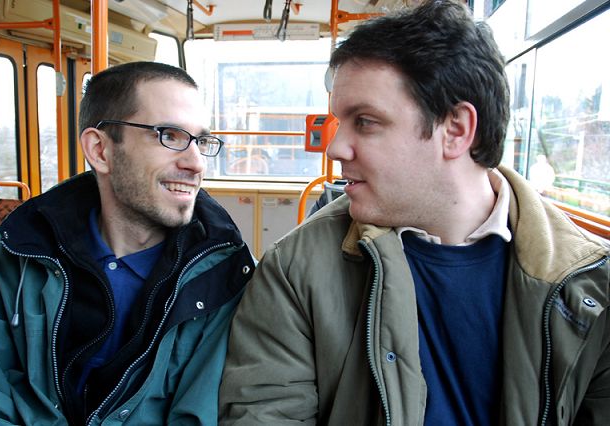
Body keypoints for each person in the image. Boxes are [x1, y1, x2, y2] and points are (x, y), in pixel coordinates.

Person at [219, 1, 610, 425]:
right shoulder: (296, 268)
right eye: (339, 122)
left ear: (455, 130)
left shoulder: (590, 286)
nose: (334, 148)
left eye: (365, 121)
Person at [0, 61, 255, 425]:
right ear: (100, 150)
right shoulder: (14, 253)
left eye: (201, 141)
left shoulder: (225, 276)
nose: (196, 163)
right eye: (169, 136)